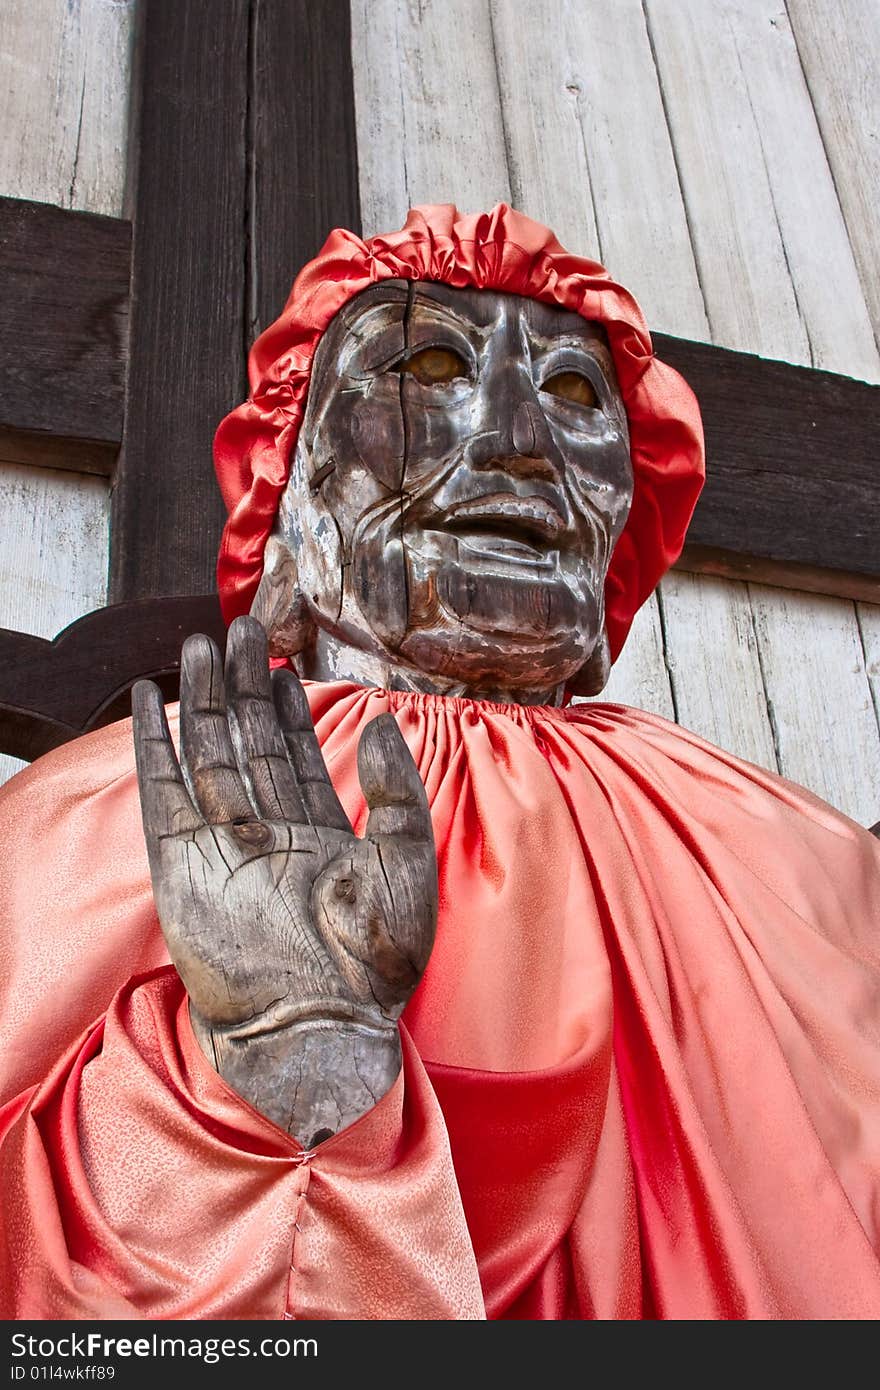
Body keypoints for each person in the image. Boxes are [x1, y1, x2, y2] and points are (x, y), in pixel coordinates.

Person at [1, 204, 879, 1320]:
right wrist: (277, 1088)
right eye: (425, 363)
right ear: (293, 499)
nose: (520, 436)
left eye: (572, 393)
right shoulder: (92, 825)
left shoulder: (803, 868)